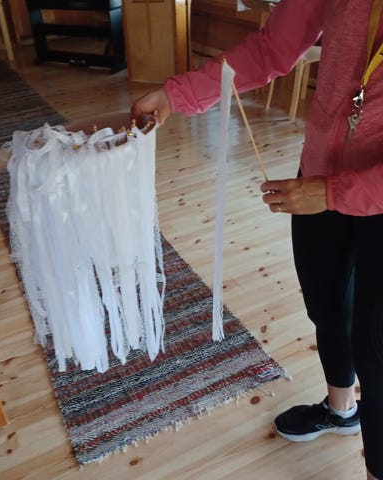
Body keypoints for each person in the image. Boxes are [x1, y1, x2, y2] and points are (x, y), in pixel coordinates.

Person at [131, 1, 383, 479]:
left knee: (377, 351)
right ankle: (341, 410)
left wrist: (333, 193)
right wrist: (175, 94)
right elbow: (271, 48)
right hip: (319, 175)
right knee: (327, 307)